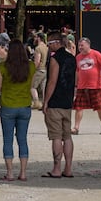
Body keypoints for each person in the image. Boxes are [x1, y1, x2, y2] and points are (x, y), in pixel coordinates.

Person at [0, 40, 37, 181]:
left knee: (8, 140)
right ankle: (23, 173)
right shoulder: (30, 66)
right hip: (24, 105)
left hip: (8, 106)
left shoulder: (3, 66)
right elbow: (31, 84)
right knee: (22, 139)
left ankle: (10, 173)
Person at [41, 33, 76, 179]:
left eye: (49, 43)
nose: (48, 46)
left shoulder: (55, 59)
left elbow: (52, 81)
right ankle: (68, 168)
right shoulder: (72, 58)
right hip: (67, 101)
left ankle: (56, 168)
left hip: (55, 101)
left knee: (56, 136)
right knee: (67, 136)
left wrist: (46, 101)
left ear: (56, 43)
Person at [71, 37, 101, 135]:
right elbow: (77, 72)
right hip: (82, 86)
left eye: (82, 45)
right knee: (78, 108)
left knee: (100, 108)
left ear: (88, 45)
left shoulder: (96, 54)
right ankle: (76, 128)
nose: (80, 47)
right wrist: (75, 85)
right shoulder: (78, 57)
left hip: (96, 86)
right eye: (79, 45)